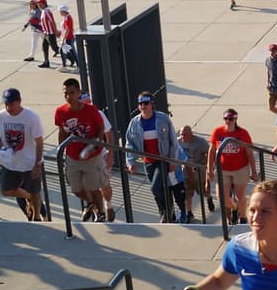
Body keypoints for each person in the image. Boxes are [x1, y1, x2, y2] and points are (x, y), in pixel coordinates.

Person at [124, 92, 189, 223]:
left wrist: (172, 160)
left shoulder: (163, 119)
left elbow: (173, 142)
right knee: (159, 189)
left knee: (162, 187)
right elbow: (129, 142)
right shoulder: (135, 123)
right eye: (140, 103)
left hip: (164, 160)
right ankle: (167, 214)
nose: (143, 106)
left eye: (146, 103)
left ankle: (171, 212)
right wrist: (130, 162)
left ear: (152, 104)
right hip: (148, 162)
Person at [55, 78, 110, 222]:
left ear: (79, 92)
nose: (68, 96)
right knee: (76, 188)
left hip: (91, 157)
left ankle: (101, 213)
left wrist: (96, 143)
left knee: (93, 187)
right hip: (72, 156)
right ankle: (90, 203)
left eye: (72, 93)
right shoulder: (60, 112)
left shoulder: (90, 110)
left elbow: (101, 127)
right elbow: (62, 130)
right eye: (65, 93)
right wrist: (61, 149)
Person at [0, 87, 45, 221]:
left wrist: (37, 164)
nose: (8, 107)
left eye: (11, 103)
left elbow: (39, 142)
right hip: (11, 163)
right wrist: (0, 151)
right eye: (6, 104)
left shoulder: (31, 117)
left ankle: (37, 216)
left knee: (35, 191)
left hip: (29, 162)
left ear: (19, 101)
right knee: (6, 189)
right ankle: (28, 197)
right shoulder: (0, 116)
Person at [208, 108, 258, 225]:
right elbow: (211, 151)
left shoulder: (243, 133)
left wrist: (254, 172)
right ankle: (235, 208)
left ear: (236, 119)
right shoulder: (218, 132)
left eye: (231, 119)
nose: (228, 121)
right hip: (223, 169)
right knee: (222, 196)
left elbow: (249, 153)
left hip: (240, 168)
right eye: (226, 119)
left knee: (240, 195)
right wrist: (209, 169)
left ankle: (243, 216)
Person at [178, 125, 214, 221]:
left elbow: (209, 153)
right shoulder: (178, 142)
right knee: (187, 193)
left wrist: (203, 163)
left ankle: (209, 198)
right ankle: (189, 213)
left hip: (199, 172)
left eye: (185, 135)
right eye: (181, 135)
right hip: (186, 171)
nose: (183, 137)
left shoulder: (200, 142)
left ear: (191, 134)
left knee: (204, 191)